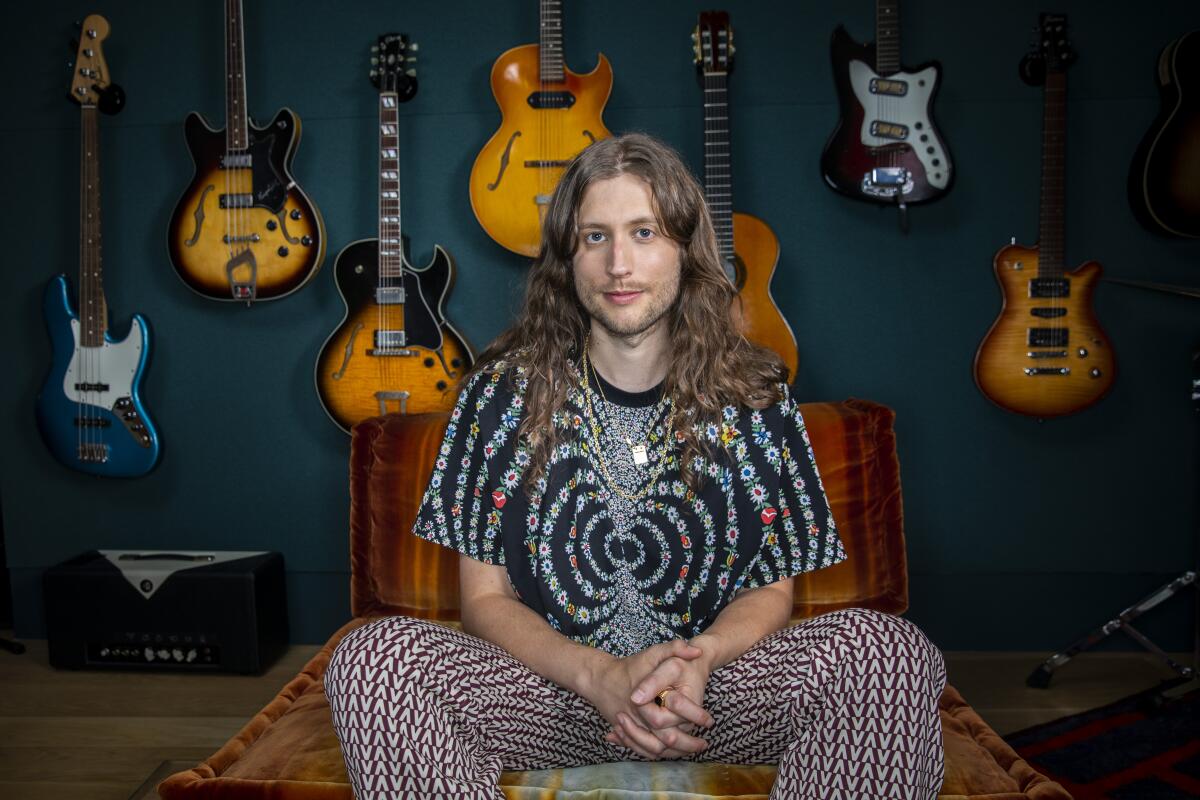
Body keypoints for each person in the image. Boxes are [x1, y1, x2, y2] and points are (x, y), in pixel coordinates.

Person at [325, 132, 946, 799]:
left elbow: (770, 591)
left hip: (711, 698)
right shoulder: (498, 394)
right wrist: (599, 677)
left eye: (644, 232)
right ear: (567, 259)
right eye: (595, 237)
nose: (619, 263)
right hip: (554, 697)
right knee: (371, 657)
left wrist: (700, 660)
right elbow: (481, 602)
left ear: (684, 248)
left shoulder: (755, 393)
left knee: (889, 650)